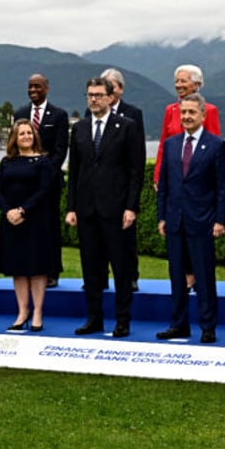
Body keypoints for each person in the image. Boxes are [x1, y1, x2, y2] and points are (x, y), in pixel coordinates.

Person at [66, 78, 145, 337]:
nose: (94, 100)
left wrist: (131, 207)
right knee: (91, 268)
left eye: (99, 95)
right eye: (90, 95)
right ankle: (94, 319)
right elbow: (74, 172)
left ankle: (122, 320)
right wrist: (71, 207)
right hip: (87, 210)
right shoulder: (79, 129)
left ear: (111, 98)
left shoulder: (127, 127)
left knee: (120, 268)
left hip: (116, 210)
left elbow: (135, 171)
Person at [156, 93, 225, 344]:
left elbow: (222, 187)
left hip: (203, 221)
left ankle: (208, 326)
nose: (186, 116)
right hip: (175, 220)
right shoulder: (171, 144)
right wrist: (161, 216)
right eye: (183, 112)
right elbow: (164, 183)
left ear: (202, 115)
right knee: (176, 276)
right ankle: (179, 325)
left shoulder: (217, 145)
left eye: (191, 112)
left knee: (205, 276)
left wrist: (220, 220)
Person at [0, 120, 56, 332]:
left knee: (37, 269)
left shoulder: (43, 162)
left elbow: (44, 190)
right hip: (12, 222)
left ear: (34, 136)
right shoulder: (6, 162)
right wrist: (8, 211)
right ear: (15, 138)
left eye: (29, 133)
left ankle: (38, 311)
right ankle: (22, 312)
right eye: (22, 134)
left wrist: (23, 210)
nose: (26, 137)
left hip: (36, 221)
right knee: (18, 269)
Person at [92, 67, 145, 291]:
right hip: (97, 192)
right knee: (98, 241)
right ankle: (99, 278)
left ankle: (130, 276)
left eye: (111, 87)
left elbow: (137, 158)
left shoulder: (133, 114)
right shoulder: (91, 113)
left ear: (120, 90)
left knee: (126, 239)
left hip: (121, 190)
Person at [14, 73, 69, 288]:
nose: (33, 90)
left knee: (50, 228)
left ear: (46, 88)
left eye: (37, 86)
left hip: (50, 183)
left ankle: (52, 271)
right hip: (24, 185)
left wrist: (44, 174)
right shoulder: (20, 114)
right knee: (28, 230)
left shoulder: (59, 115)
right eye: (30, 87)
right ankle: (29, 269)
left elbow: (60, 150)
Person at [153, 64, 221, 187]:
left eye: (183, 81)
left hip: (200, 176)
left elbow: (214, 147)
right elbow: (163, 145)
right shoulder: (170, 110)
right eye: (176, 81)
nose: (178, 85)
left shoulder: (210, 110)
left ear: (197, 85)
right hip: (173, 175)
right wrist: (158, 175)